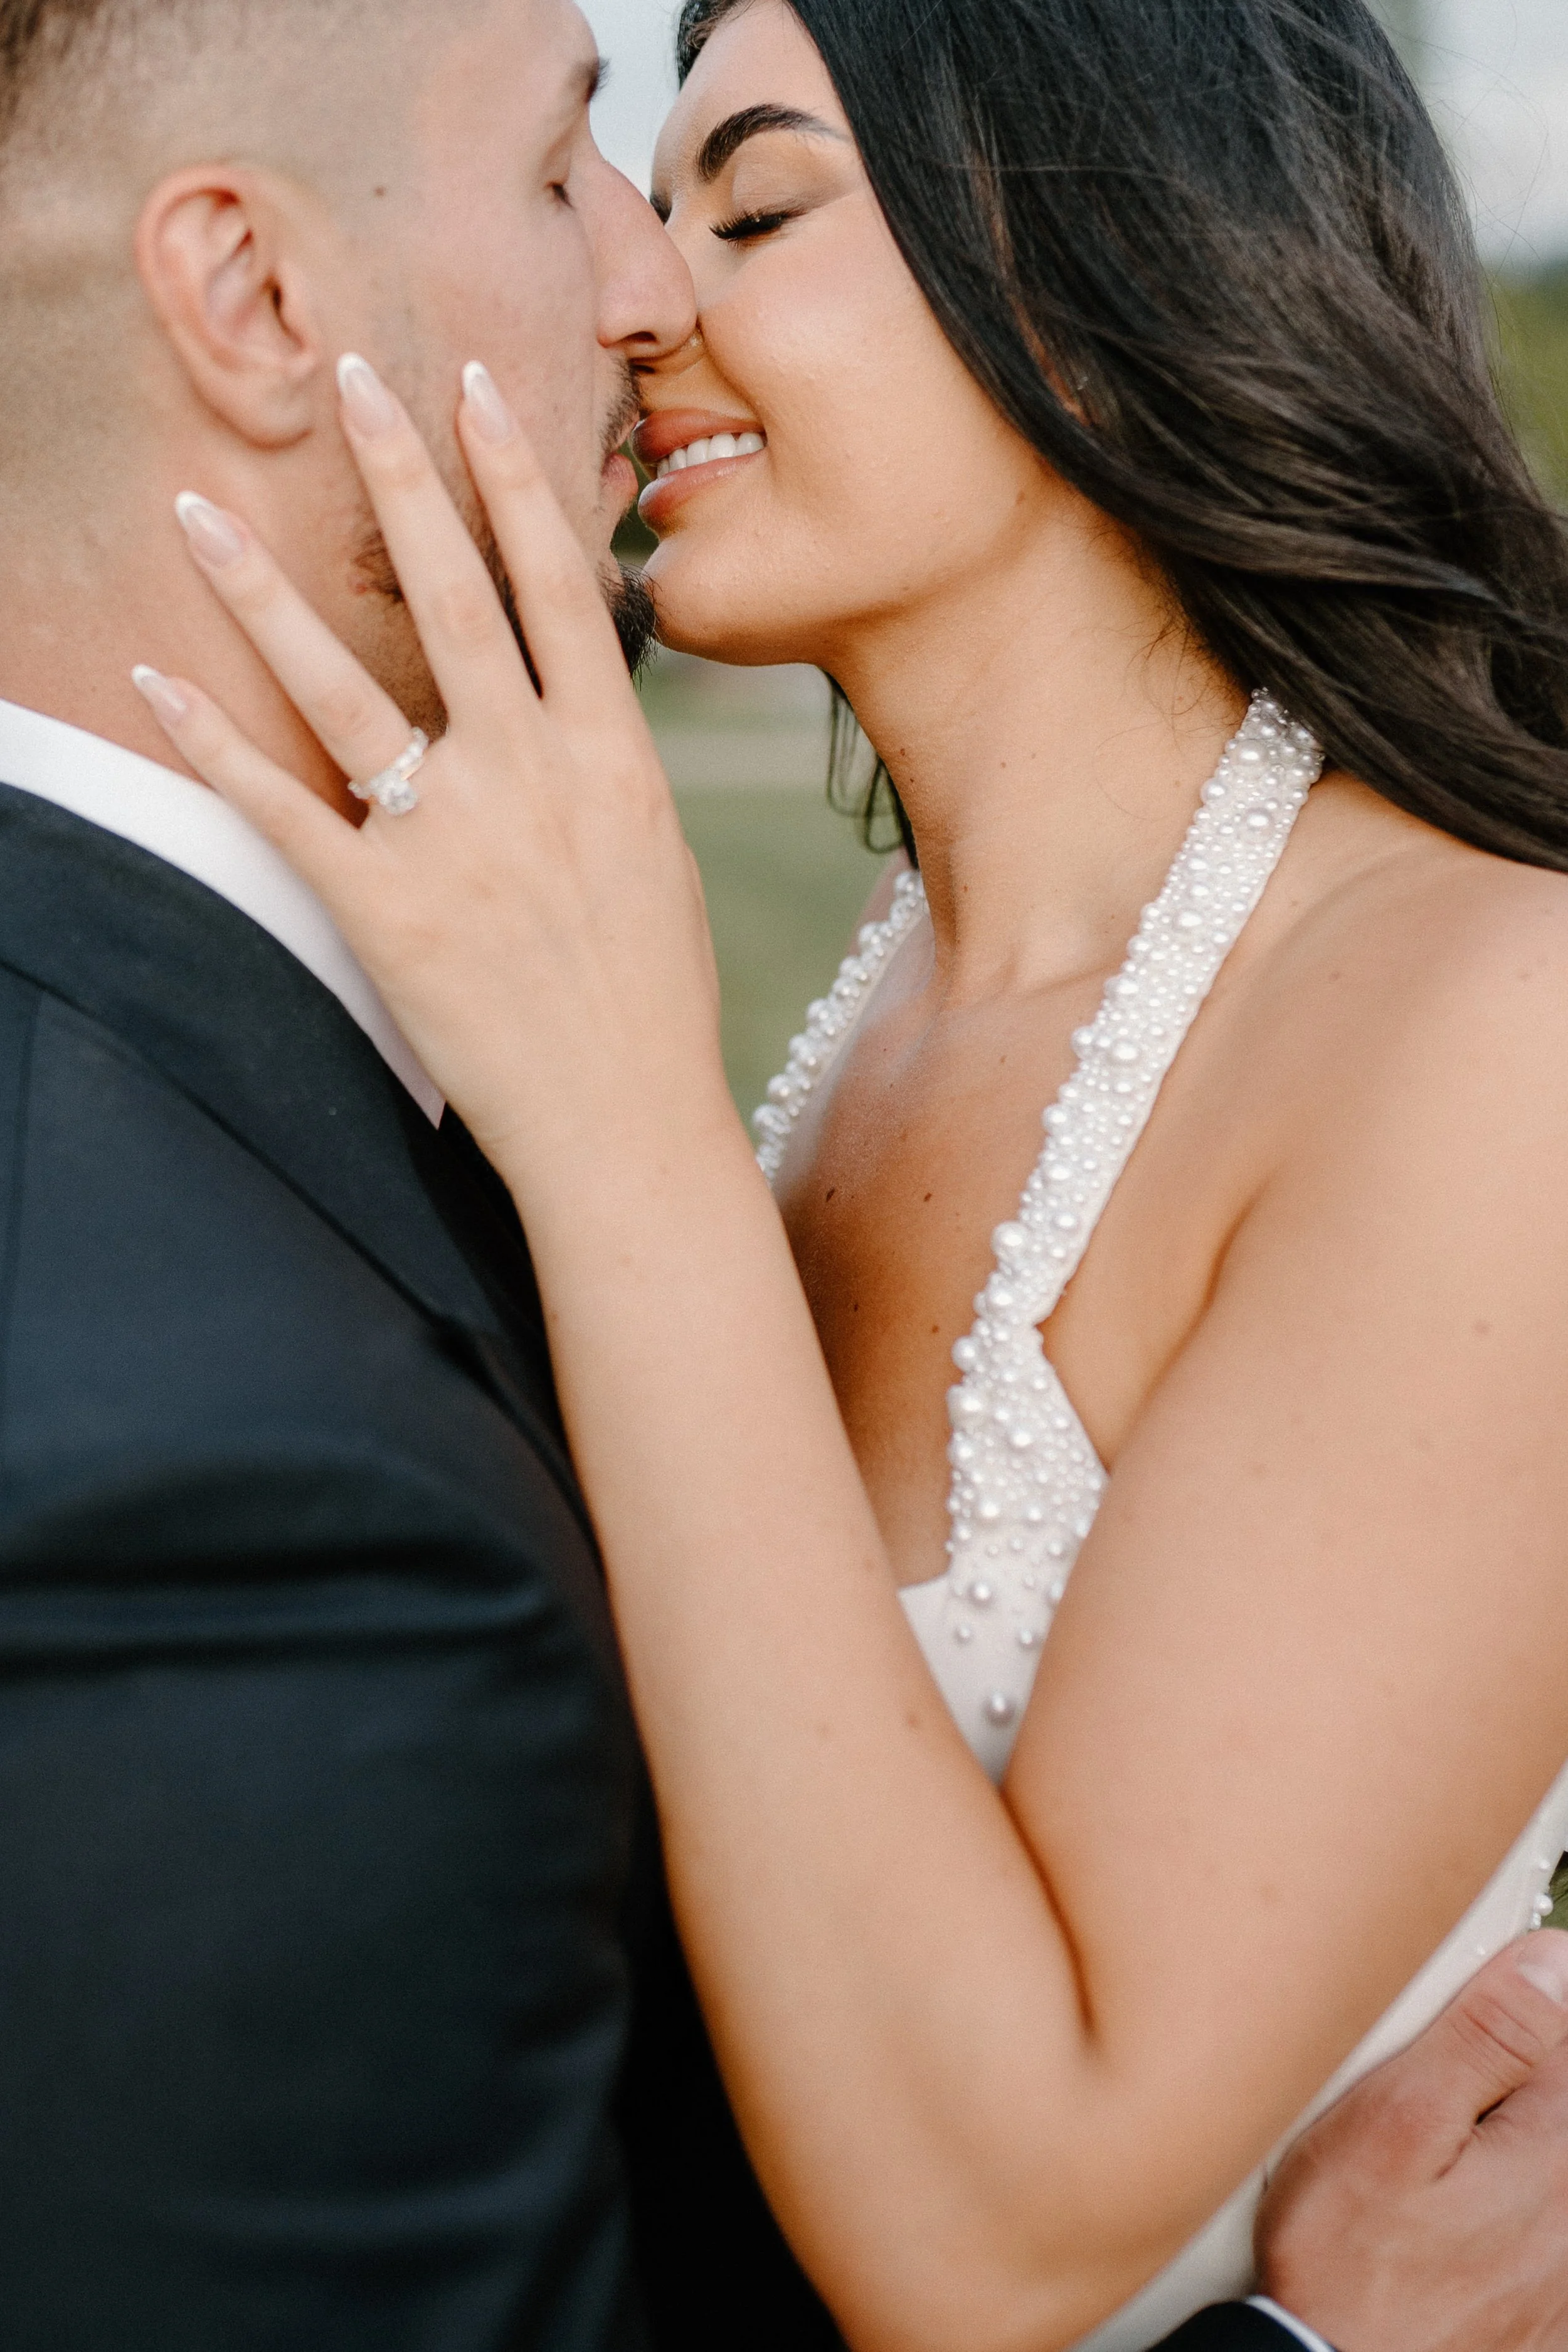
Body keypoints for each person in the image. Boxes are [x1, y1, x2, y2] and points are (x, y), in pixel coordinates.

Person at [1, 0, 1566, 2346]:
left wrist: (623, 1116)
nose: (643, 297)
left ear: (1107, 276)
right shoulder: (864, 1028)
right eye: (613, 194)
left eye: (753, 203)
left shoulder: (1480, 1021)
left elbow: (981, 2237)